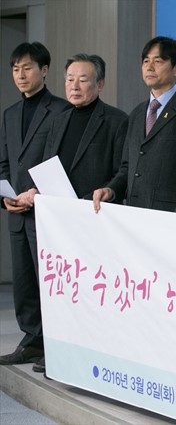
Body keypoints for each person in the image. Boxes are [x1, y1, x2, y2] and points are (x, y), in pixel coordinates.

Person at [0, 42, 70, 371]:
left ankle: (54, 343)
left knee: (50, 281)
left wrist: (36, 192)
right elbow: (4, 162)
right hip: (16, 211)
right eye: (15, 69)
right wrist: (5, 197)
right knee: (24, 281)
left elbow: (64, 161)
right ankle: (31, 339)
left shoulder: (61, 110)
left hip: (47, 211)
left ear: (44, 70)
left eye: (27, 68)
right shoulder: (10, 114)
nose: (20, 75)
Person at [93, 36, 176, 215]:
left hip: (168, 218)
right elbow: (127, 168)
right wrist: (111, 190)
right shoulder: (136, 113)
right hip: (133, 216)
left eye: (158, 61)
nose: (149, 67)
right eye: (146, 61)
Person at [43, 54, 127, 199]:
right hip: (57, 207)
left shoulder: (117, 121)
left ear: (100, 84)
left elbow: (123, 171)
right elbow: (47, 166)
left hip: (95, 207)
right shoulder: (58, 121)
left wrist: (108, 191)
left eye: (82, 80)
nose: (74, 87)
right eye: (70, 79)